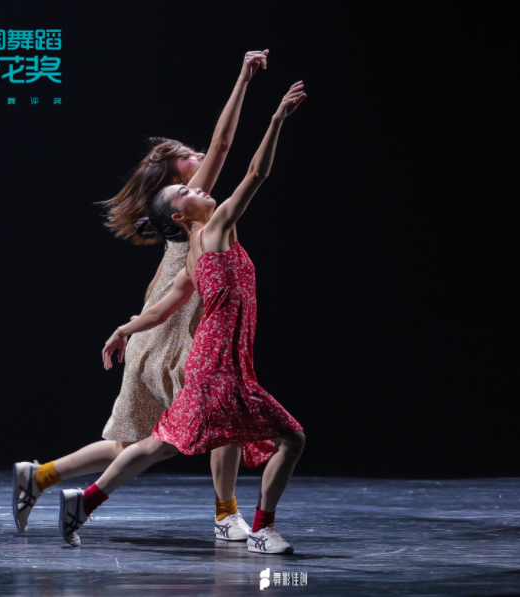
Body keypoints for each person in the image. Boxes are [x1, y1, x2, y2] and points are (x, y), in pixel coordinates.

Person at [12, 50, 270, 543]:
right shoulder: (191, 204)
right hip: (172, 339)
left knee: (137, 442)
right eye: (189, 158)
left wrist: (131, 326)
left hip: (155, 335)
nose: (200, 158)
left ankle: (40, 476)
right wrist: (243, 78)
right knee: (222, 417)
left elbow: (167, 288)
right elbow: (224, 142)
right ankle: (225, 516)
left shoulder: (186, 223)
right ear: (176, 184)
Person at [59, 81, 307, 554]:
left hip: (218, 362)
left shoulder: (193, 253)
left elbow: (161, 307)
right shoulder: (215, 230)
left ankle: (84, 501)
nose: (198, 188)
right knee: (291, 439)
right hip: (218, 366)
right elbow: (256, 173)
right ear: (180, 216)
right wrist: (276, 119)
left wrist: (123, 329)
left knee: (161, 445)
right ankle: (260, 528)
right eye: (186, 191)